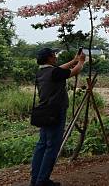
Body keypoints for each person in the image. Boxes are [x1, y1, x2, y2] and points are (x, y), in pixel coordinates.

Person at [31, 47, 85, 186]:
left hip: (44, 112)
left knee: (42, 145)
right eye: (54, 54)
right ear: (49, 58)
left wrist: (73, 60)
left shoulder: (41, 72)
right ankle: (42, 181)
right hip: (56, 112)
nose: (56, 56)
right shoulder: (54, 72)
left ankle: (36, 179)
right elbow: (75, 71)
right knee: (52, 147)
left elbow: (59, 70)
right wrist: (81, 62)